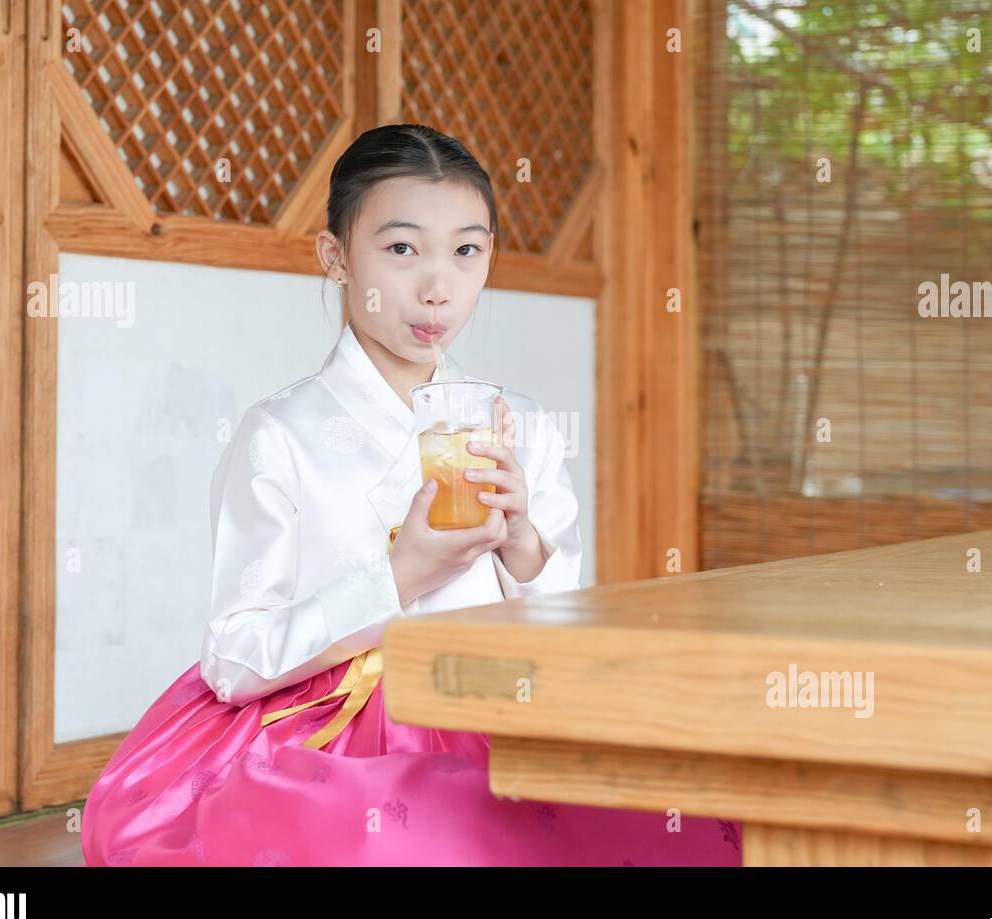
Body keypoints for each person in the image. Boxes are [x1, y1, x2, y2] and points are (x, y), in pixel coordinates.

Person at [80, 123, 742, 866]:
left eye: (466, 251)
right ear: (336, 257)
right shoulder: (279, 435)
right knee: (405, 839)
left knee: (697, 816)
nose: (438, 288)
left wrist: (522, 542)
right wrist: (399, 579)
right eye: (401, 249)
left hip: (498, 705)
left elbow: (561, 631)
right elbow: (235, 659)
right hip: (332, 729)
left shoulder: (520, 425)